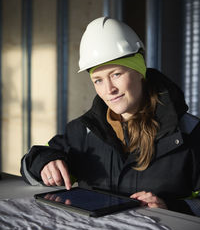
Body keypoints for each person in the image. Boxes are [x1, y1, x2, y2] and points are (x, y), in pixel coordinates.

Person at [21, 17, 200, 216]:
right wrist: (45, 161)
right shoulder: (84, 131)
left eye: (116, 74)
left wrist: (171, 208)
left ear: (139, 71)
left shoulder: (189, 133)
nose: (109, 90)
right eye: (98, 80)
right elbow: (32, 163)